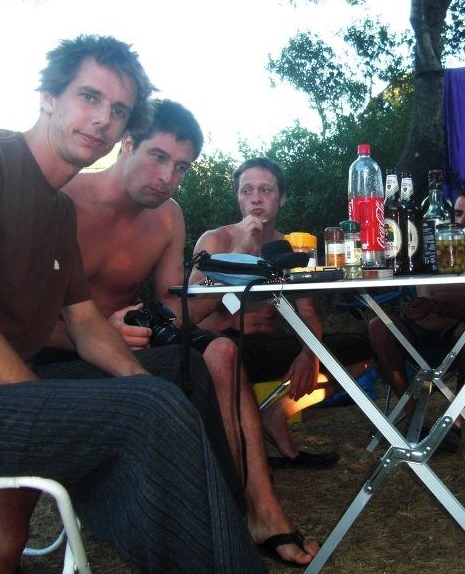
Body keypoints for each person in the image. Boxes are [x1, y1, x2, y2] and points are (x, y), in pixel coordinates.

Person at [0, 35, 265, 573]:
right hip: (2, 400)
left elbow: (84, 320)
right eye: (89, 97)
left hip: (22, 393)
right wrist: (45, 403)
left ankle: (232, 526)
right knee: (146, 411)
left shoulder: (56, 211)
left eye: (117, 110)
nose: (102, 119)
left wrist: (144, 381)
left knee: (181, 374)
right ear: (48, 96)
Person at [38, 99, 317, 566]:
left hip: (132, 347)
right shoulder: (62, 200)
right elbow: (16, 318)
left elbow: (175, 309)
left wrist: (237, 265)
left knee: (222, 352)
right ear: (127, 143)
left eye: (182, 167)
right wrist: (95, 335)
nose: (168, 177)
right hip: (58, 354)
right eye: (158, 157)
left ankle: (261, 510)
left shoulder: (168, 215)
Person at [192, 157, 375, 465]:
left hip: (266, 346)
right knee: (227, 354)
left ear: (282, 197)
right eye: (247, 190)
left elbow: (307, 313)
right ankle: (243, 458)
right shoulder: (216, 241)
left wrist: (309, 354)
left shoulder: (289, 248)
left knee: (361, 352)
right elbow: (190, 311)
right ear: (238, 197)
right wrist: (235, 257)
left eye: (265, 190)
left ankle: (276, 414)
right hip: (221, 347)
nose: (255, 198)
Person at [368, 184, 465, 452]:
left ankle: (456, 415)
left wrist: (437, 306)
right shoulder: (429, 240)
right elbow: (412, 282)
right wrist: (414, 306)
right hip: (418, 332)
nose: (460, 221)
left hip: (459, 334)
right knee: (379, 327)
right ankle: (411, 412)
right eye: (457, 213)